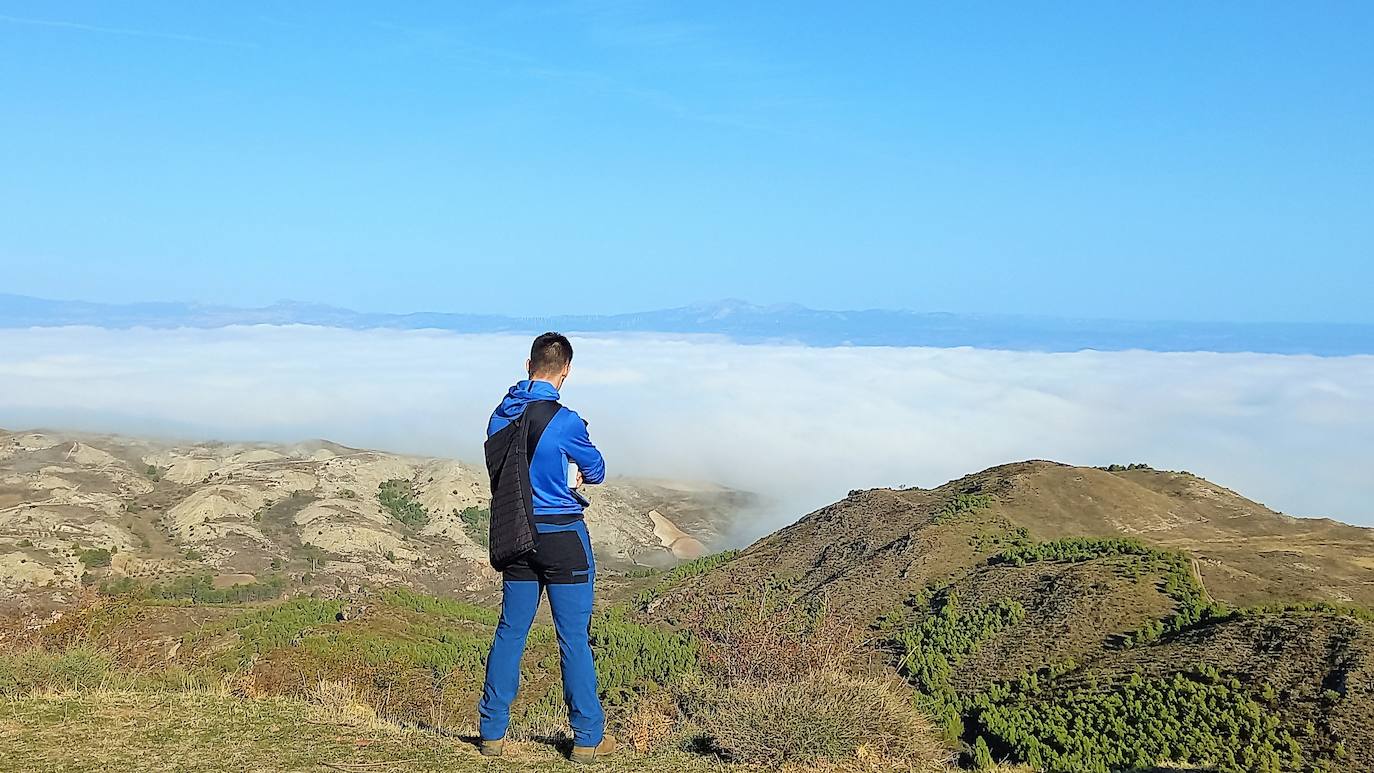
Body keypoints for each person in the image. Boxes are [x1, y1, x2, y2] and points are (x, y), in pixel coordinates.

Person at [478, 332, 615, 764]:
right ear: (566, 370)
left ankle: (492, 732)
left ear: (528, 365)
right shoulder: (566, 421)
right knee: (573, 638)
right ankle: (587, 738)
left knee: (510, 632)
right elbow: (597, 469)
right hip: (562, 538)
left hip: (517, 534)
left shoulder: (500, 416)